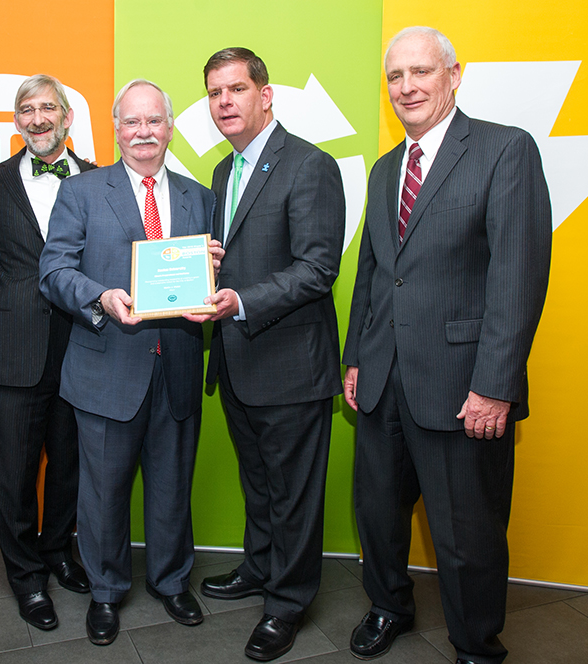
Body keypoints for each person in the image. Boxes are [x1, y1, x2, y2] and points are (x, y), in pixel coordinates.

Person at [342, 26, 551, 664]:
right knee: (377, 516)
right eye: (395, 77)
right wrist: (355, 357)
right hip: (382, 380)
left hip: (465, 385)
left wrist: (495, 385)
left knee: (467, 533)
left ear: (453, 76)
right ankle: (388, 607)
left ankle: (475, 644)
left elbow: (518, 279)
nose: (406, 87)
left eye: (420, 72)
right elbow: (374, 274)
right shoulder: (383, 171)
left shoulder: (503, 150)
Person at [39, 79, 220, 646]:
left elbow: (208, 277)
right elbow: (53, 270)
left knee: (172, 486)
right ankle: (106, 591)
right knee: (103, 493)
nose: (144, 133)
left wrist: (213, 274)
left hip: (178, 365)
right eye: (131, 122)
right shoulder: (82, 191)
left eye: (154, 121)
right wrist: (101, 297)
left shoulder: (198, 196)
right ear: (116, 128)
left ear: (170, 127)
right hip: (106, 368)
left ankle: (170, 582)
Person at [193, 47, 346, 662]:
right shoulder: (224, 173)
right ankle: (259, 568)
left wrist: (239, 300)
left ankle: (286, 602)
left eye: (235, 89)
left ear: (266, 94)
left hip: (288, 365)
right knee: (258, 483)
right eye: (213, 93)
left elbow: (317, 268)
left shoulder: (309, 165)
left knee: (293, 491)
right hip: (237, 362)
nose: (223, 102)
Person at [0, 74, 95, 630]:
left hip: (84, 344)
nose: (37, 118)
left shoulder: (101, 179)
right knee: (16, 471)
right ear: (16, 121)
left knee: (70, 463)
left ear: (67, 116)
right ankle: (26, 576)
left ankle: (59, 552)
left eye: (48, 107)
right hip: (15, 345)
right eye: (26, 109)